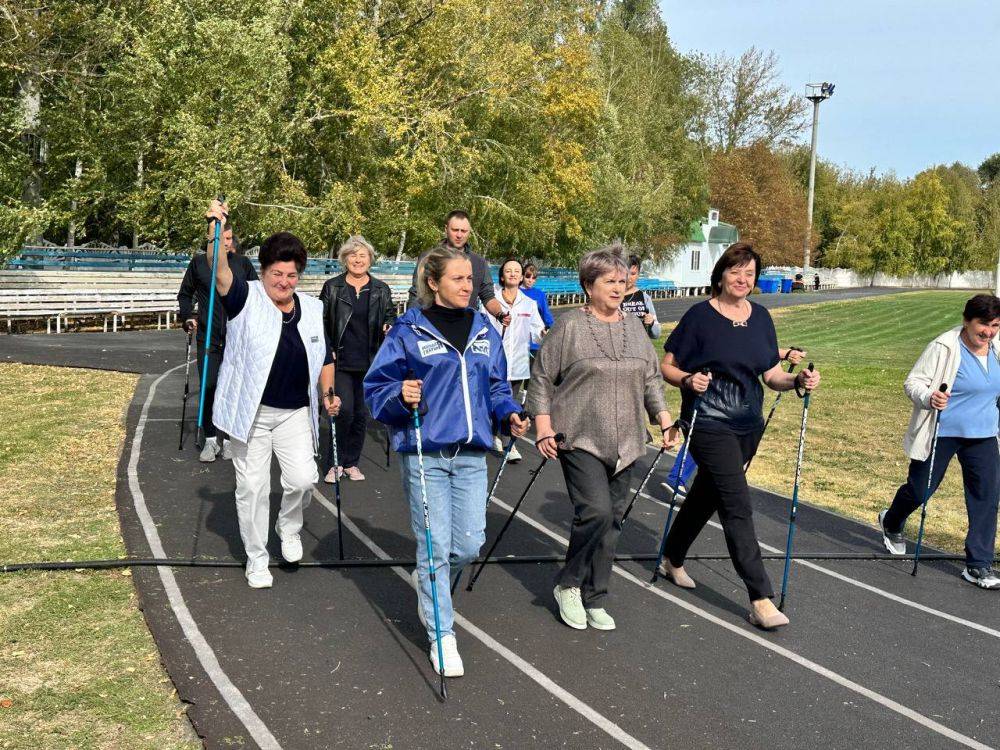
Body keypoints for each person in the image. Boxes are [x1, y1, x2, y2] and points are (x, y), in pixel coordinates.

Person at [365, 245, 527, 677]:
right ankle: (442, 634)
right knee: (434, 546)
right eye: (457, 278)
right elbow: (376, 388)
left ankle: (428, 583)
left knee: (469, 545)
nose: (466, 286)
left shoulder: (483, 330)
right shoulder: (407, 330)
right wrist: (400, 395)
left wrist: (508, 412)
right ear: (433, 282)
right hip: (425, 453)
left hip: (472, 454)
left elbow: (496, 386)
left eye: (470, 280)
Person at [657, 242, 821, 630]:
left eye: (750, 273)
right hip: (708, 421)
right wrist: (687, 379)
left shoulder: (761, 318)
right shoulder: (699, 317)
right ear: (720, 274)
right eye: (736, 272)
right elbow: (667, 366)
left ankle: (672, 556)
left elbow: (770, 375)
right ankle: (760, 597)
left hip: (748, 424)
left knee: (706, 495)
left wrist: (797, 380)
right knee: (737, 504)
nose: (743, 280)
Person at [527, 245, 681, 632]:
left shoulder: (633, 327)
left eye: (622, 280)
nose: (618, 287)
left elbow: (650, 379)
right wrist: (543, 427)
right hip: (579, 435)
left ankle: (596, 596)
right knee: (594, 511)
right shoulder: (569, 326)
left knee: (612, 521)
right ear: (588, 286)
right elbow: (542, 379)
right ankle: (568, 585)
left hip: (629, 439)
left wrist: (664, 420)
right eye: (609, 281)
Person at [204, 199, 340, 590]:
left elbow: (324, 355)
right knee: (253, 488)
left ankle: (289, 527)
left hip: (296, 411)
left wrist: (328, 392)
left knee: (301, 480)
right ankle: (256, 557)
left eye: (292, 275)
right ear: (263, 271)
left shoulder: (312, 309)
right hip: (251, 415)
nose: (284, 282)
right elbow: (219, 265)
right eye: (277, 273)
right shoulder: (244, 297)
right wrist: (216, 226)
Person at [878, 294, 1000, 589]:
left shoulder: (997, 347)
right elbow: (913, 382)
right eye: (983, 324)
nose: (989, 332)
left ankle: (978, 565)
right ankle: (892, 521)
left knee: (987, 497)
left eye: (995, 325)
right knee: (919, 491)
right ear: (966, 321)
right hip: (942, 431)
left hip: (983, 435)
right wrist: (929, 397)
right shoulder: (944, 346)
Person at [663, 346, 807, 500]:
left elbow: (756, 347)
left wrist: (786, 359)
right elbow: (745, 348)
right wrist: (785, 354)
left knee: (718, 445)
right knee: (706, 435)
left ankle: (701, 485)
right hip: (714, 389)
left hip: (734, 397)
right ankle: (679, 479)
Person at [177, 222, 258, 462]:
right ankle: (211, 440)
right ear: (211, 239)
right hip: (208, 335)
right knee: (210, 386)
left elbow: (255, 294)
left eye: (230, 238)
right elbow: (185, 293)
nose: (226, 242)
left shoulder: (242, 264)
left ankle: (231, 439)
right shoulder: (199, 263)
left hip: (236, 338)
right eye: (221, 238)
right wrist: (187, 317)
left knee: (234, 388)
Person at [319, 235, 397, 483]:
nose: (358, 259)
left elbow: (390, 315)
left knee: (361, 415)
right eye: (353, 255)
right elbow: (320, 322)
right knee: (344, 411)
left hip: (370, 361)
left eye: (362, 255)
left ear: (370, 259)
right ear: (344, 259)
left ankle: (351, 462)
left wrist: (389, 325)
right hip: (340, 360)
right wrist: (327, 347)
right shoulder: (333, 287)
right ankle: (334, 463)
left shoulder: (381, 290)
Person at [405, 209, 510, 327]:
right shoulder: (428, 257)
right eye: (455, 230)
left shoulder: (479, 262)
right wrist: (409, 323)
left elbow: (487, 295)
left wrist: (499, 314)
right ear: (446, 229)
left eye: (464, 231)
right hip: (432, 326)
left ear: (469, 232)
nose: (459, 235)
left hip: (465, 326)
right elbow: (416, 294)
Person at [487, 257, 545, 462]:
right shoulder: (490, 301)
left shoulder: (529, 303)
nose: (512, 273)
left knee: (511, 403)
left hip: (518, 364)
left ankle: (509, 444)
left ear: (521, 277)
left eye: (517, 271)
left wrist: (544, 333)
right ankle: (492, 435)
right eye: (508, 270)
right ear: (502, 276)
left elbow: (537, 329)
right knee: (491, 399)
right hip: (492, 364)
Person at [620, 254, 661, 339]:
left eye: (633, 274)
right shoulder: (613, 297)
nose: (628, 278)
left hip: (640, 349)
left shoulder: (645, 298)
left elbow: (657, 334)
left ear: (638, 274)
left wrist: (651, 323)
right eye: (625, 273)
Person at [520, 262, 555, 357]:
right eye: (528, 276)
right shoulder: (515, 292)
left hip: (534, 343)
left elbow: (547, 315)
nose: (530, 280)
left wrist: (550, 329)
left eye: (533, 277)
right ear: (522, 276)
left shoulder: (540, 294)